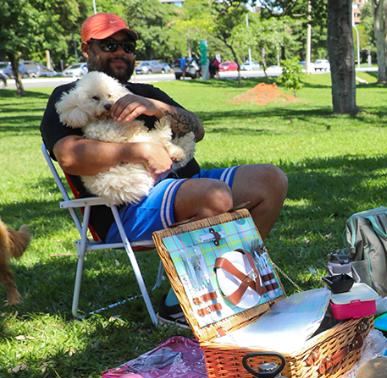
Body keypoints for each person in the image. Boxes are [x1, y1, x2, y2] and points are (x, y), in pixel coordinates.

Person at [40, 13, 287, 324]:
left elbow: (197, 130)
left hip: (186, 182)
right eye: (109, 44)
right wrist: (138, 150)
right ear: (86, 49)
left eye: (127, 46)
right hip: (126, 207)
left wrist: (157, 107)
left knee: (270, 180)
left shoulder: (145, 90)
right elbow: (69, 156)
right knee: (214, 196)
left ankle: (234, 280)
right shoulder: (70, 96)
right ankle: (177, 304)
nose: (121, 52)